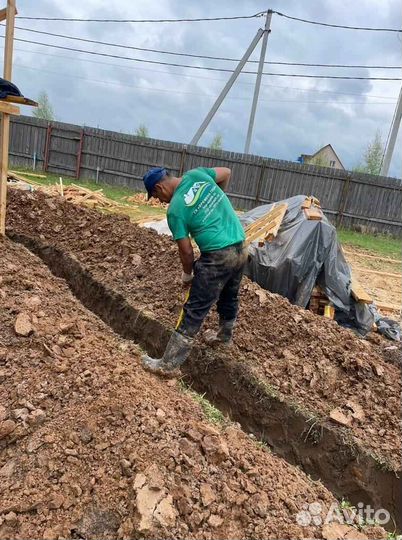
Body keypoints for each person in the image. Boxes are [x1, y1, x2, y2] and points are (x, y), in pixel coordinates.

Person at [141, 166, 247, 374]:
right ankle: (224, 336)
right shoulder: (197, 174)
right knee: (229, 295)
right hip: (241, 246)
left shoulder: (175, 210)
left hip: (218, 256)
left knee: (194, 309)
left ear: (159, 188)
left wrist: (187, 274)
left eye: (156, 197)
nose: (160, 202)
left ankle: (168, 364)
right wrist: (217, 199)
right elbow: (226, 172)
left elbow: (186, 251)